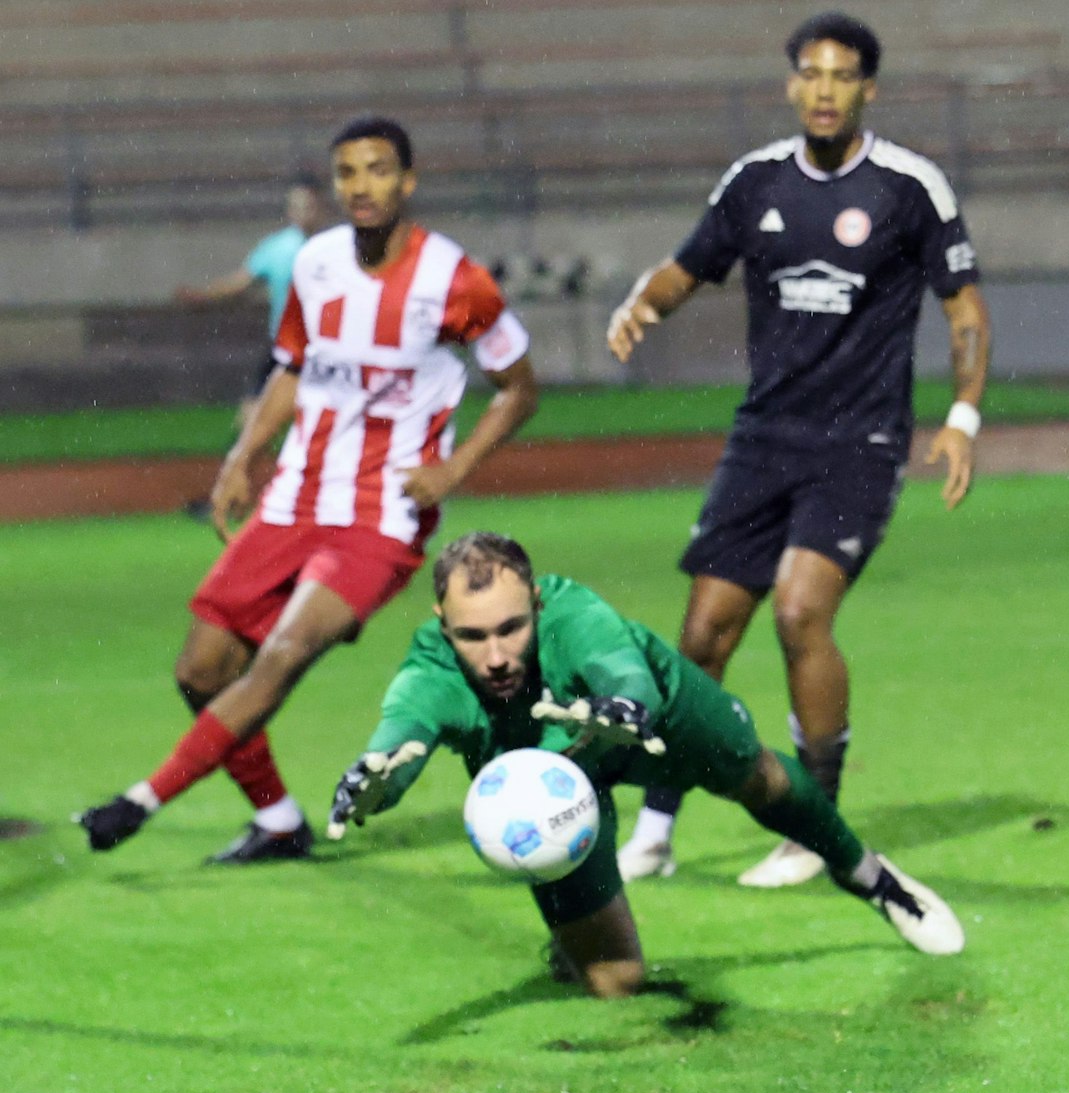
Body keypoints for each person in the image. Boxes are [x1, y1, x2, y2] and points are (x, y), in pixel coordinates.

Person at [74, 117, 540, 863]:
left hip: (381, 517)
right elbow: (293, 365)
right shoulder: (317, 264)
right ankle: (279, 821)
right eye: (348, 172)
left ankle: (141, 799)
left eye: (379, 170)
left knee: (281, 655)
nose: (362, 186)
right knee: (200, 670)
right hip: (294, 498)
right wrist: (242, 455)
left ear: (407, 182)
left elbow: (519, 388)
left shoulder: (453, 277)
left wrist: (455, 470)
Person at [604, 11, 991, 887]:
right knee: (702, 634)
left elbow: (964, 309)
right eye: (810, 75)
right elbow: (687, 266)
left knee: (798, 613)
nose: (824, 90)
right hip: (763, 437)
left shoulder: (908, 187)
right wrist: (644, 303)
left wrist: (963, 415)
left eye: (841, 76)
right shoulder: (755, 182)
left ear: (868, 90)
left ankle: (813, 828)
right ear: (791, 86)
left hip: (860, 443)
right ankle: (656, 828)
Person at [325, 532, 964, 997]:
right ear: (442, 623)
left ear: (538, 605)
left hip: (651, 715)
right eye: (472, 636)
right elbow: (401, 734)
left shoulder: (573, 613)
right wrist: (379, 781)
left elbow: (628, 676)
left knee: (758, 778)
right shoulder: (433, 668)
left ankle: (872, 880)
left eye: (511, 629)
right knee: (616, 982)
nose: (495, 655)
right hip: (554, 779)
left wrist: (621, 706)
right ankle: (573, 928)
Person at [175, 177, 331, 519]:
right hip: (283, 351)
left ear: (321, 208)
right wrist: (203, 295)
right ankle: (229, 495)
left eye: (309, 204)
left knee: (322, 428)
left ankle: (313, 501)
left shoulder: (338, 249)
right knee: (251, 423)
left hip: (327, 354)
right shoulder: (278, 248)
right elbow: (242, 282)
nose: (303, 211)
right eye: (297, 205)